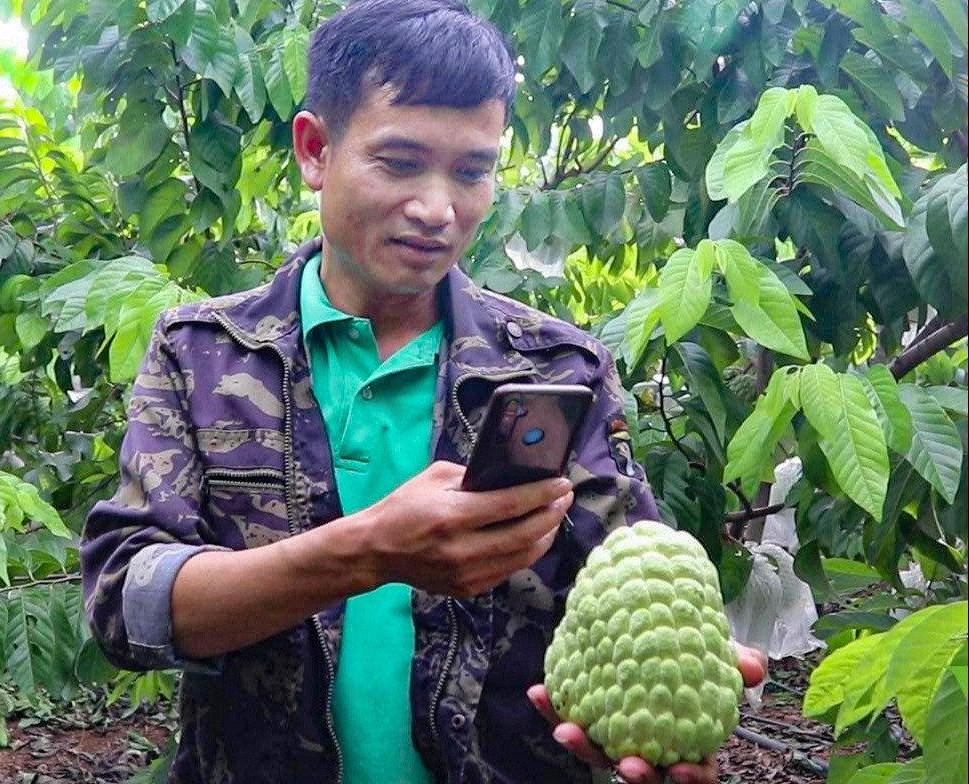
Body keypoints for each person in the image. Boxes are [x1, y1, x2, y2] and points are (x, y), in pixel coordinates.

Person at [80, 1, 765, 783]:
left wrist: (668, 677)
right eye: (400, 163)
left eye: (472, 171)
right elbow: (126, 607)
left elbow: (625, 584)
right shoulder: (201, 354)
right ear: (315, 150)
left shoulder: (554, 370)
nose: (438, 211)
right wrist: (364, 552)